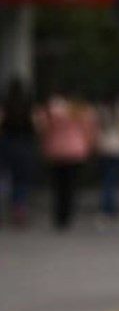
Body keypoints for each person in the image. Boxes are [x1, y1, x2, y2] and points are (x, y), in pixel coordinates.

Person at [38, 89, 95, 231]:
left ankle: (59, 215)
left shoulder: (51, 108)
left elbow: (42, 127)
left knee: (58, 186)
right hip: (75, 150)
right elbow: (89, 130)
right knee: (71, 186)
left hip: (55, 150)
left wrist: (43, 146)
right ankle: (68, 215)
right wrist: (89, 146)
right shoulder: (81, 110)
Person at [0, 79, 37, 229]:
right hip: (25, 144)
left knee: (6, 177)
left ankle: (7, 206)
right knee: (22, 179)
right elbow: (36, 126)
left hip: (7, 143)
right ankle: (19, 208)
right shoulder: (28, 107)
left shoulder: (6, 106)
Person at [94, 91, 119, 225]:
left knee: (106, 179)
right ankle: (111, 207)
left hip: (104, 146)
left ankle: (106, 208)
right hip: (118, 147)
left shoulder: (101, 109)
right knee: (113, 179)